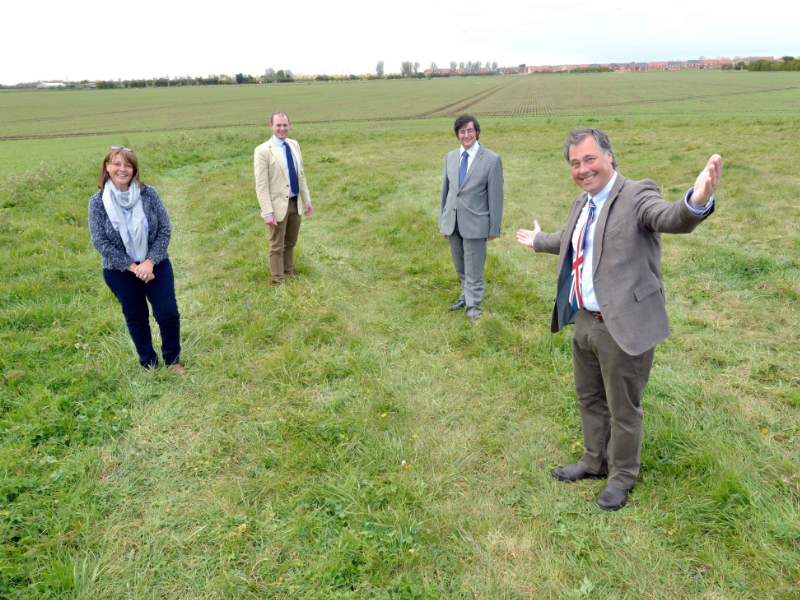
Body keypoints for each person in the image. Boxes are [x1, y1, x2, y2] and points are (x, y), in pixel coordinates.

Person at [516, 128, 721, 510]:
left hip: (624, 324)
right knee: (589, 397)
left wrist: (696, 201)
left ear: (609, 157)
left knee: (623, 408)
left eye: (589, 159)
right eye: (575, 163)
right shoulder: (584, 201)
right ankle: (594, 461)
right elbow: (570, 239)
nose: (582, 169)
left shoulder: (637, 193)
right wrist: (538, 241)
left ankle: (622, 477)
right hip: (586, 321)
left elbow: (669, 216)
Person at [89, 146, 184, 372]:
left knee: (167, 313)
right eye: (117, 164)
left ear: (134, 169)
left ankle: (172, 360)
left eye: (128, 165)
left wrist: (149, 262)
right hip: (119, 271)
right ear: (107, 167)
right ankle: (148, 362)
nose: (122, 169)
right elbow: (100, 242)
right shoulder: (97, 201)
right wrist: (134, 267)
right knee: (136, 316)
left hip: (156, 265)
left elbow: (165, 230)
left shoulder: (148, 193)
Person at [439, 114, 504, 321]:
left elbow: (496, 197)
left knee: (474, 269)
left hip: (476, 224)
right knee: (461, 267)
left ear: (477, 132)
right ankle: (466, 296)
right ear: (457, 134)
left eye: (470, 130)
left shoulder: (492, 159)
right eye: (461, 131)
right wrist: (443, 222)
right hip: (453, 223)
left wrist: (493, 229)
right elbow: (446, 192)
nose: (466, 135)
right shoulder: (450, 157)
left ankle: (473, 309)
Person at [254, 111, 313, 284]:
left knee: (290, 243)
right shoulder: (263, 151)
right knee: (276, 245)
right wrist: (267, 212)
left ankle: (288, 273)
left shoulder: (294, 145)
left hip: (295, 202)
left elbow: (300, 175)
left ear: (289, 125)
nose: (282, 128)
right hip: (277, 205)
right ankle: (278, 280)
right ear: (271, 126)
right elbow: (261, 185)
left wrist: (306, 200)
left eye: (285, 125)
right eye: (278, 125)